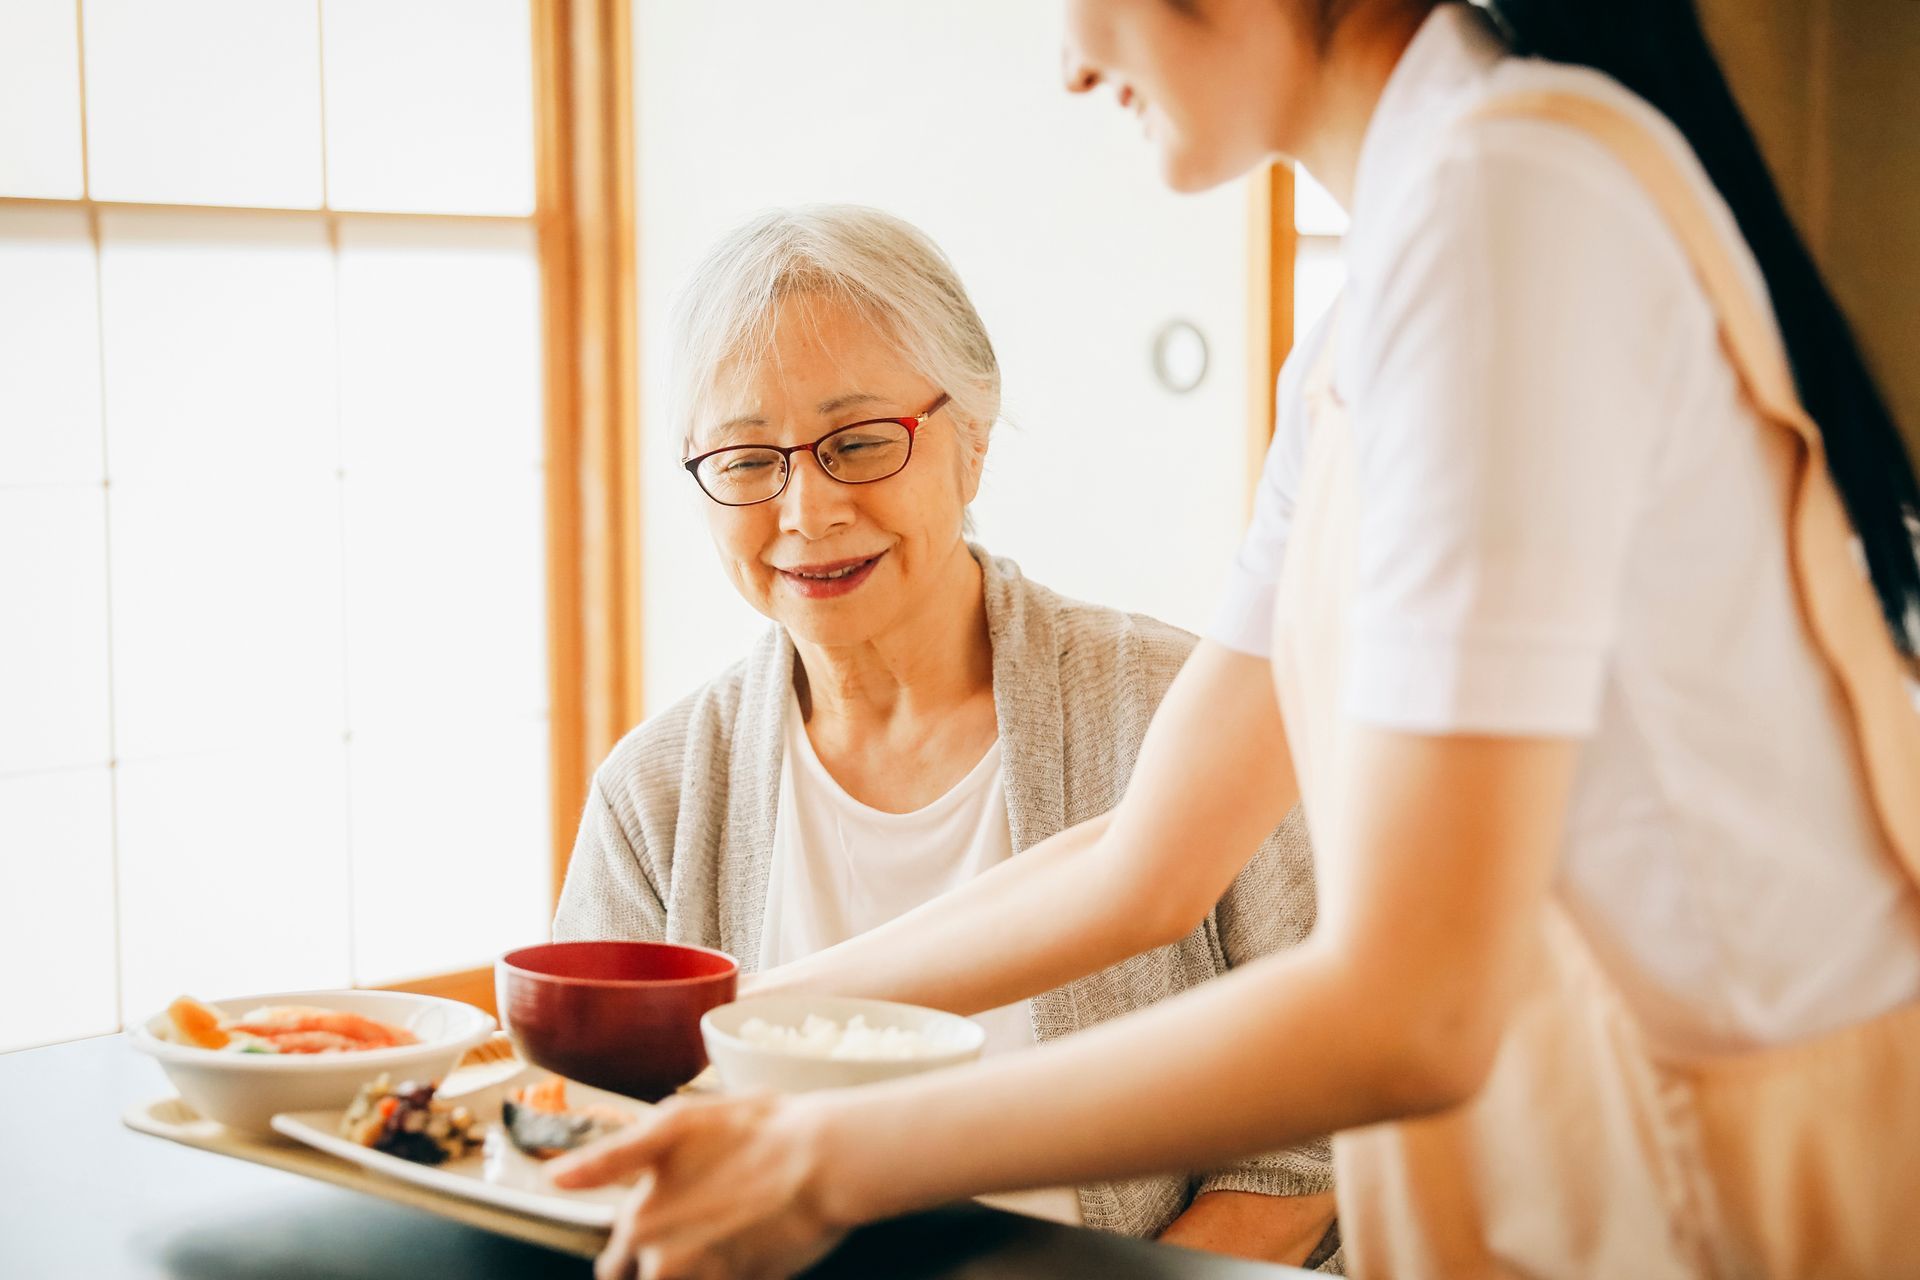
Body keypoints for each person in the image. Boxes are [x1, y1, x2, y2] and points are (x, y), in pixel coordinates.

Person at [552, 3, 1920, 1277]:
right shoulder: (1374, 310)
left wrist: (826, 1154)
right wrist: (730, 1017)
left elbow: (1412, 1004)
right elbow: (1148, 857)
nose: (1073, 61)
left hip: (1727, 1183)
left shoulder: (1509, 211)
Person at [552, 204, 1340, 1268]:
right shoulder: (655, 797)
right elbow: (592, 1147)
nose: (807, 508)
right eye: (746, 460)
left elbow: (1307, 1154)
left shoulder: (1177, 715)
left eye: (861, 442)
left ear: (972, 436)